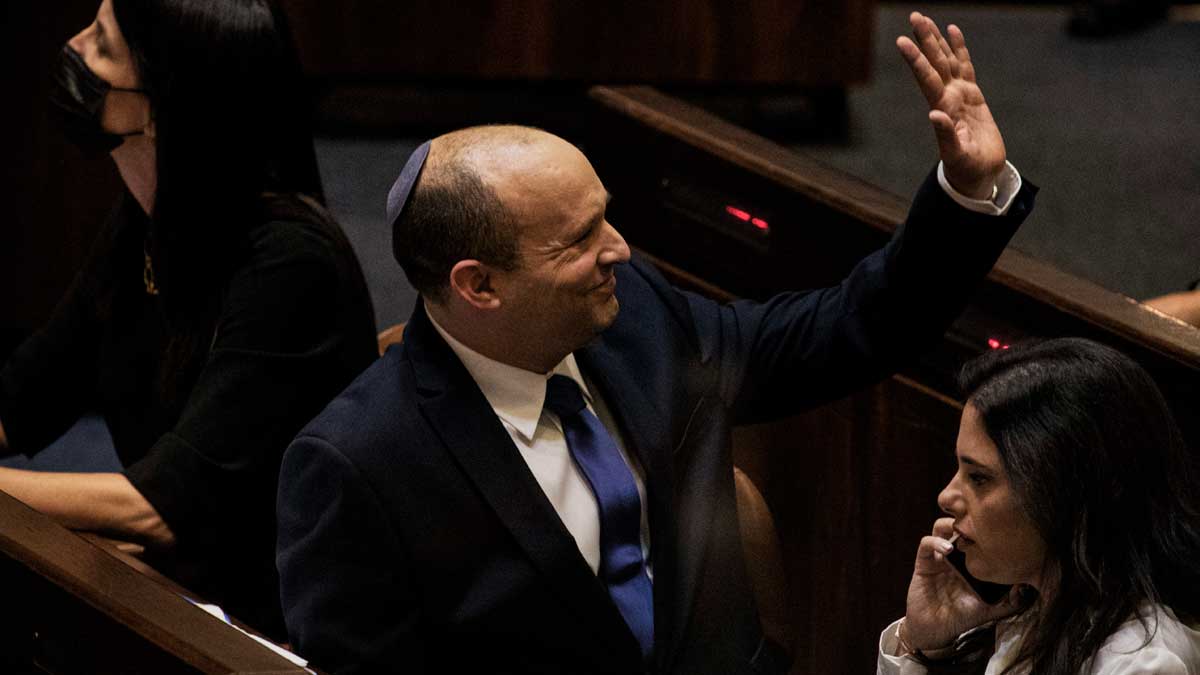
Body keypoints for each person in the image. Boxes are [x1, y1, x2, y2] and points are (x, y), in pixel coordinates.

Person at [276, 12, 1037, 674]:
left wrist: (964, 193)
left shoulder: (635, 312)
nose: (619, 249)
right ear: (479, 285)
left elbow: (847, 331)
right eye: (579, 239)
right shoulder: (359, 465)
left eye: (605, 215)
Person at [0, 0, 377, 638]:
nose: (73, 46)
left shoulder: (292, 266)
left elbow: (161, 507)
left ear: (163, 102)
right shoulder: (148, 222)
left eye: (101, 43)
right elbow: (25, 396)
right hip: (178, 586)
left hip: (276, 624)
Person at [877, 338, 1200, 674]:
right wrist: (923, 644)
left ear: (1062, 492)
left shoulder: (1141, 663)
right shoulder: (1023, 604)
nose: (946, 496)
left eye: (979, 478)